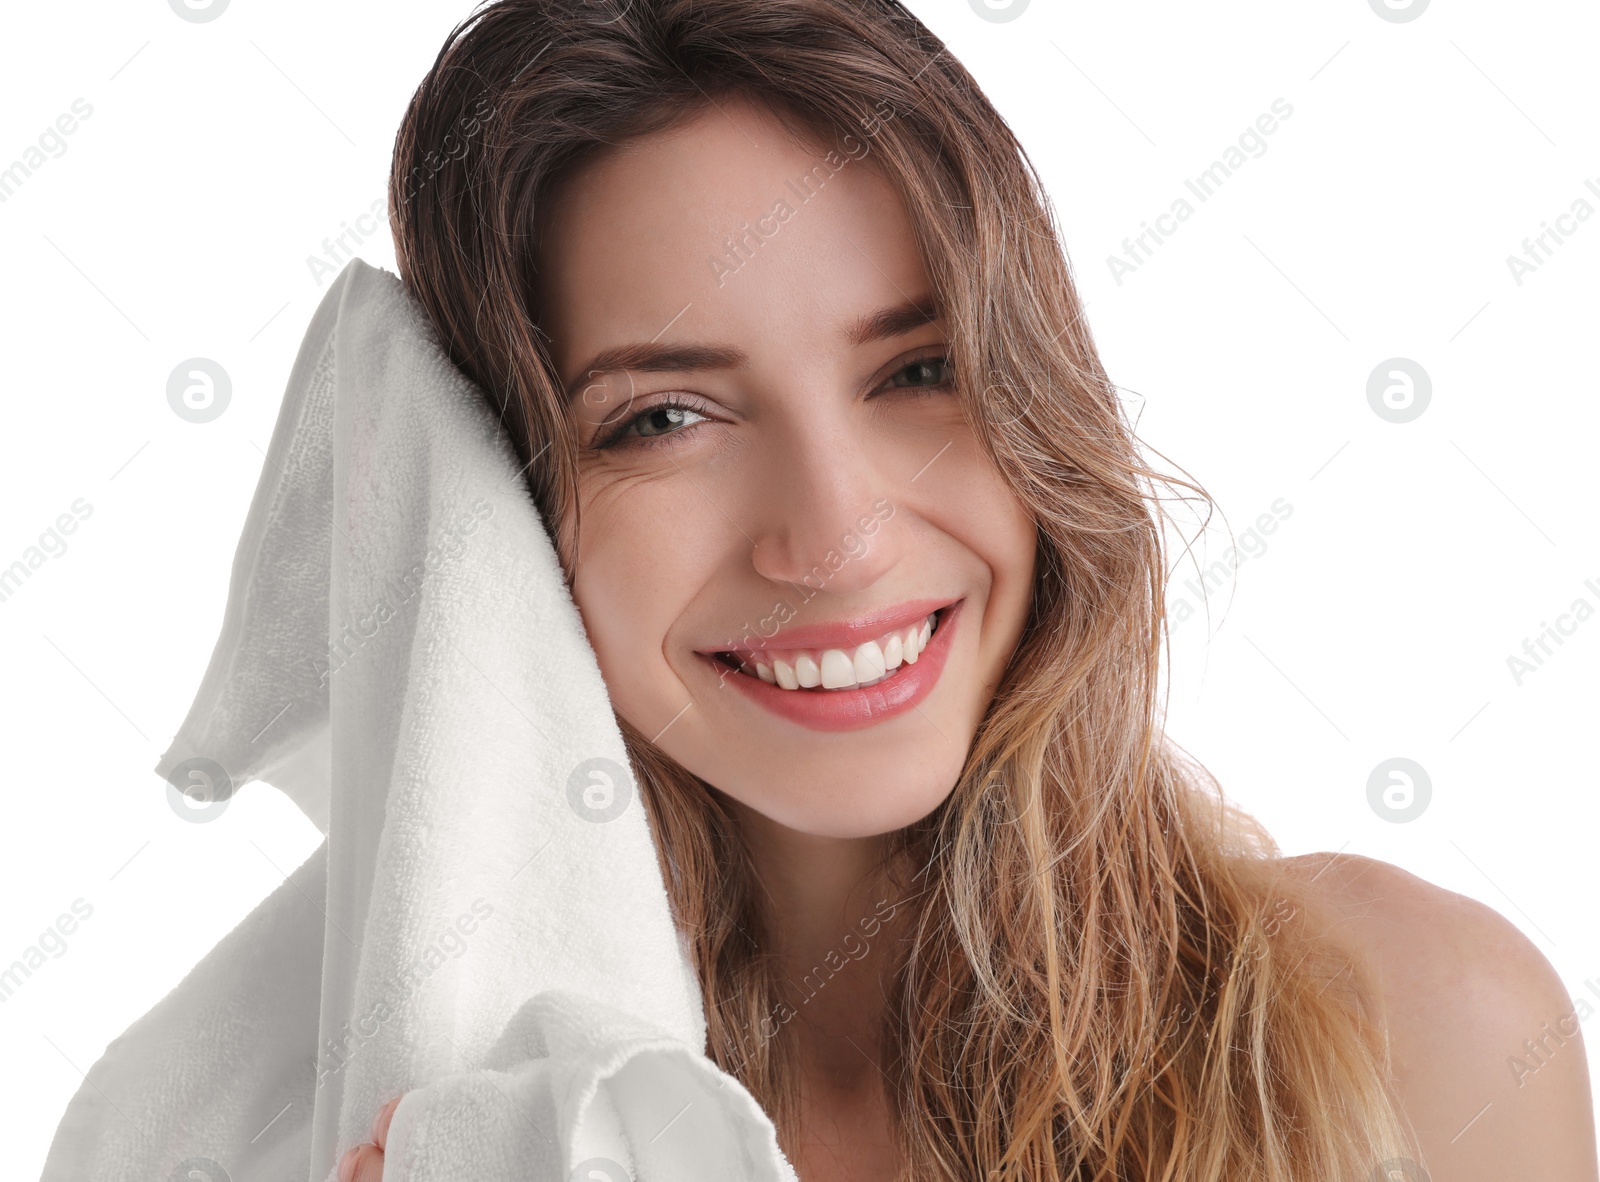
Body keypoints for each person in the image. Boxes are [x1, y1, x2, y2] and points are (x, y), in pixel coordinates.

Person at [341, 1, 1598, 1178]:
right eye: (664, 416)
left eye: (917, 369)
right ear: (495, 504)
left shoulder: (1419, 1028)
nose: (838, 541)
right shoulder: (427, 1116)